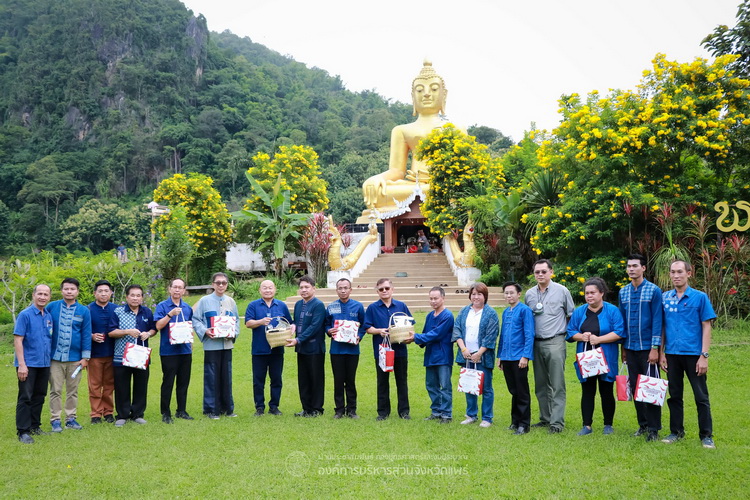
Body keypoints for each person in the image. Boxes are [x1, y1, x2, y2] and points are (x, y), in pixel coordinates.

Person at [359, 60, 461, 221]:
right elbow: (397, 171)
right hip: (412, 184)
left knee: (456, 192)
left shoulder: (455, 129)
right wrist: (376, 179)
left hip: (442, 186)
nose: (426, 94)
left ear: (444, 95)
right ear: (413, 96)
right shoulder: (402, 130)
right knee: (378, 191)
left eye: (434, 89)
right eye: (420, 90)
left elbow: (462, 170)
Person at [660, 260, 717, 449]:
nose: (676, 275)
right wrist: (661, 353)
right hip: (672, 354)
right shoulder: (665, 298)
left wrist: (704, 356)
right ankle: (676, 431)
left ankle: (706, 435)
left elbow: (706, 326)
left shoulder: (699, 297)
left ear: (689, 274)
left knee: (701, 396)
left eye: (680, 272)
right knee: (674, 395)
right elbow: (662, 328)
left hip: (694, 354)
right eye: (672, 272)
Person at [567, 277, 626, 436]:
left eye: (593, 292)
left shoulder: (612, 310)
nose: (589, 296)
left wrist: (599, 339)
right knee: (588, 391)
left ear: (602, 293)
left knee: (606, 390)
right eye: (587, 293)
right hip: (586, 358)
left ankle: (608, 424)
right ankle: (587, 425)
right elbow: (571, 331)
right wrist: (582, 336)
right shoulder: (580, 311)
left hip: (606, 357)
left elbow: (620, 331)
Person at [525, 259, 574, 434]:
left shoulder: (562, 291)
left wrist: (565, 335)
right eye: (537, 272)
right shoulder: (529, 294)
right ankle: (545, 418)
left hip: (555, 341)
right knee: (540, 384)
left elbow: (571, 315)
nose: (540, 275)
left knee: (557, 383)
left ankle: (557, 422)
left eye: (543, 271)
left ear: (551, 272)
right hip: (536, 343)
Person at [619, 254, 663, 441]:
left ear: (643, 268)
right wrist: (623, 348)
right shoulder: (623, 292)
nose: (631, 269)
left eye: (635, 266)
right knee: (636, 387)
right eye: (629, 266)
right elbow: (622, 323)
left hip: (647, 347)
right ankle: (642, 425)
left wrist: (655, 348)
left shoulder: (654, 291)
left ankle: (654, 428)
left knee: (651, 386)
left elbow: (657, 320)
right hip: (630, 347)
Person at [46, 278, 92, 432]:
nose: (69, 291)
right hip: (55, 358)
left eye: (72, 289)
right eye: (66, 289)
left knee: (72, 390)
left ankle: (71, 418)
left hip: (75, 360)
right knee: (55, 389)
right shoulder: (52, 307)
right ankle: (55, 420)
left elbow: (86, 334)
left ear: (77, 291)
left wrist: (85, 358)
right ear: (62, 290)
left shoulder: (84, 310)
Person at [364, 278, 413, 420]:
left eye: (386, 288)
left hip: (400, 349)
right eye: (381, 289)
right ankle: (383, 412)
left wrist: (407, 335)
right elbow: (367, 328)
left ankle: (404, 412)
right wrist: (379, 331)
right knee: (382, 381)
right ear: (377, 291)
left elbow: (410, 324)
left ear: (392, 289)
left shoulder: (401, 306)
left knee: (402, 381)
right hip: (382, 350)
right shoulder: (373, 308)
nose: (384, 291)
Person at [193, 272, 240, 419]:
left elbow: (237, 321)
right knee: (211, 377)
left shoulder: (231, 302)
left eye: (224, 283)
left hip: (226, 345)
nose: (221, 285)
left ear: (227, 285)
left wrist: (233, 333)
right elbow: (196, 319)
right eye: (218, 282)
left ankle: (227, 408)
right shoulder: (204, 301)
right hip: (211, 345)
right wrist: (205, 331)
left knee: (227, 376)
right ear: (213, 284)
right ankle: (211, 410)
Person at [453, 282, 499, 428]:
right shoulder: (464, 311)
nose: (476, 297)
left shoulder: (490, 313)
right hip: (466, 354)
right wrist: (463, 349)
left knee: (486, 387)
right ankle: (471, 415)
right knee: (469, 385)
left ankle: (487, 418)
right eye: (473, 294)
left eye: (479, 294)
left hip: (483, 356)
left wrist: (479, 353)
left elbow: (491, 336)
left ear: (485, 296)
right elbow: (457, 330)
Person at [108, 284, 155, 427]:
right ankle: (122, 415)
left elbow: (153, 329)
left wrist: (149, 333)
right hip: (122, 356)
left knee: (141, 385)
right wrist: (127, 331)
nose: (135, 298)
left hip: (141, 356)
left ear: (142, 297)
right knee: (122, 386)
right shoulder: (118, 311)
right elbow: (111, 332)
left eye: (138, 295)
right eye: (132, 295)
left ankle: (138, 414)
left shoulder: (146, 312)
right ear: (127, 297)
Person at [405, 287, 454, 423]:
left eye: (436, 298)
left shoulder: (447, 316)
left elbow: (436, 334)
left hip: (443, 356)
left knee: (445, 386)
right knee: (431, 385)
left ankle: (446, 414)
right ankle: (436, 411)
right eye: (431, 298)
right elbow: (426, 333)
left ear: (443, 298)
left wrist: (416, 338)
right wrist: (412, 339)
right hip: (431, 355)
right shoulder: (429, 316)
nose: (433, 301)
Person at [245, 279, 292, 416]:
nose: (267, 290)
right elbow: (248, 323)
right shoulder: (253, 305)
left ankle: (274, 406)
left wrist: (290, 331)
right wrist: (260, 322)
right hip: (259, 349)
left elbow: (290, 323)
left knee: (276, 379)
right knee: (258, 380)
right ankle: (259, 407)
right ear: (260, 290)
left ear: (275, 289)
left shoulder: (281, 305)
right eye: (264, 288)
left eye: (270, 287)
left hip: (277, 349)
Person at [14, 284, 53, 444]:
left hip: (44, 363)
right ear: (33, 295)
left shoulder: (48, 316)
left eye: (46, 294)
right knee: (25, 397)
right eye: (40, 294)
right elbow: (18, 339)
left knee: (39, 396)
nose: (42, 297)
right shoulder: (25, 315)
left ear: (49, 297)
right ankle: (23, 430)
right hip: (28, 364)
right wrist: (22, 364)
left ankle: (34, 426)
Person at [325, 278, 366, 419]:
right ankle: (339, 410)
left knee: (350, 380)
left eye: (346, 288)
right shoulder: (331, 307)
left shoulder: (358, 306)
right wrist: (329, 331)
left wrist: (359, 336)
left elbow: (364, 325)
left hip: (352, 350)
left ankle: (352, 410)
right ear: (336, 290)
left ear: (350, 290)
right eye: (340, 288)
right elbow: (326, 324)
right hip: (336, 350)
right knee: (338, 380)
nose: (343, 290)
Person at [154, 278, 194, 424]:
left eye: (180, 288)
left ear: (184, 291)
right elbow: (158, 326)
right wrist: (170, 314)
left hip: (184, 350)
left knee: (183, 382)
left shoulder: (188, 308)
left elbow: (190, 326)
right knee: (168, 382)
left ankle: (181, 410)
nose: (177, 290)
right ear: (169, 289)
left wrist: (191, 344)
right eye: (174, 287)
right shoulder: (162, 306)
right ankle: (166, 412)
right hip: (169, 351)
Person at [497, 282, 535, 435]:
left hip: (519, 357)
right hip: (506, 357)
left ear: (519, 294)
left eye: (511, 293)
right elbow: (503, 335)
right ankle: (515, 421)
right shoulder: (506, 312)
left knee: (522, 391)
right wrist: (500, 356)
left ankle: (524, 424)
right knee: (513, 390)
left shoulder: (525, 311)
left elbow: (529, 334)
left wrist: (525, 356)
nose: (509, 296)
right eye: (506, 293)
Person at [287, 275, 326, 417]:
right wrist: (292, 327)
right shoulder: (298, 304)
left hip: (315, 349)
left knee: (316, 379)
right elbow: (297, 322)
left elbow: (314, 327)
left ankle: (317, 409)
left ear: (314, 289)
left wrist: (298, 339)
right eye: (301, 287)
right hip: (302, 349)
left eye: (307, 287)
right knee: (303, 379)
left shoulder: (318, 305)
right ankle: (306, 408)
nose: (303, 290)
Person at [87, 280, 117, 424]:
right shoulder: (88, 310)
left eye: (106, 291)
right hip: (94, 354)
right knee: (95, 385)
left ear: (111, 293)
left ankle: (108, 412)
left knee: (109, 385)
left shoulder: (117, 309)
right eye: (100, 291)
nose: (103, 294)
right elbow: (82, 330)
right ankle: (96, 414)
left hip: (113, 353)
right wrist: (91, 336)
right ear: (95, 293)